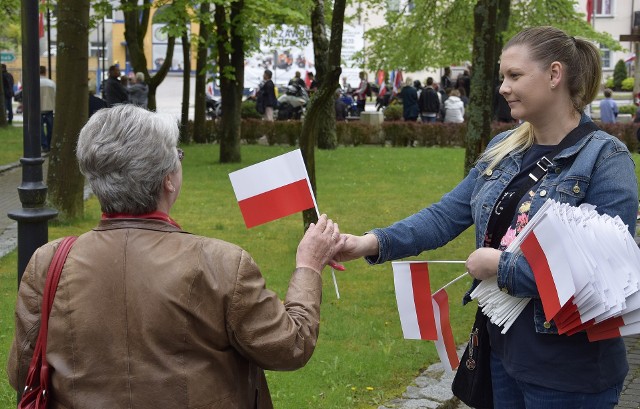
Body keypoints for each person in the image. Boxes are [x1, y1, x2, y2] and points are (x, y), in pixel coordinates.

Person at [335, 26, 638, 408]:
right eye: (502, 77)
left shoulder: (605, 160)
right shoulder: (504, 147)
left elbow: (605, 275)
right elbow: (445, 216)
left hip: (569, 372)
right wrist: (370, 242)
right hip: (499, 354)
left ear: (554, 75)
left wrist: (501, 266)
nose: (503, 88)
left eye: (514, 76)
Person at [8, 104, 345, 408]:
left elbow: (22, 372)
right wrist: (308, 267)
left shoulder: (49, 262)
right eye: (178, 156)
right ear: (168, 180)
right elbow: (290, 346)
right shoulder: (222, 262)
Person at [39, 66, 56, 153]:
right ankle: (49, 144)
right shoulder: (51, 83)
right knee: (50, 128)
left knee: (40, 128)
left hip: (39, 108)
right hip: (49, 108)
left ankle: (44, 145)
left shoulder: (34, 83)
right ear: (45, 72)